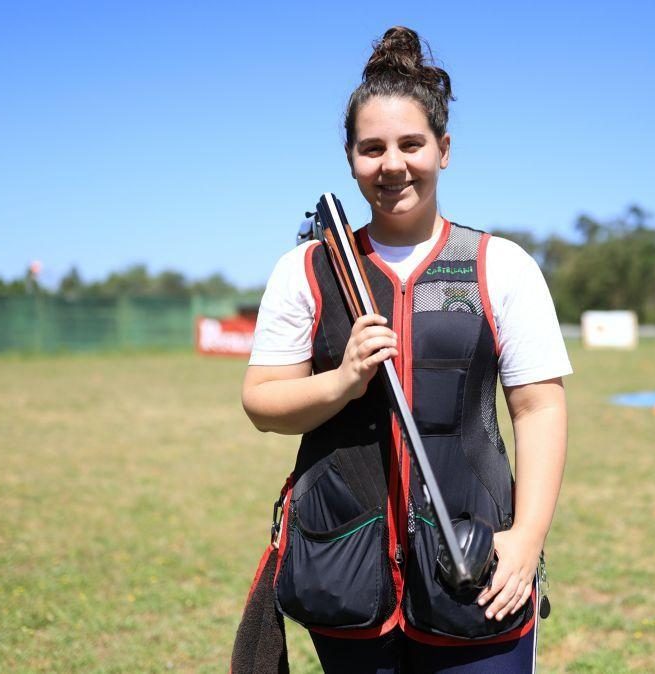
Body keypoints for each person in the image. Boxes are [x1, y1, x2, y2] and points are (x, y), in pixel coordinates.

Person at [241, 26, 570, 674]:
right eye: (372, 149)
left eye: (410, 144)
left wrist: (526, 539)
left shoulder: (495, 265)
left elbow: (539, 409)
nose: (391, 164)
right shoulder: (308, 268)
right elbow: (262, 403)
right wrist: (343, 379)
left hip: (475, 564)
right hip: (346, 566)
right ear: (350, 157)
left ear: (443, 150)